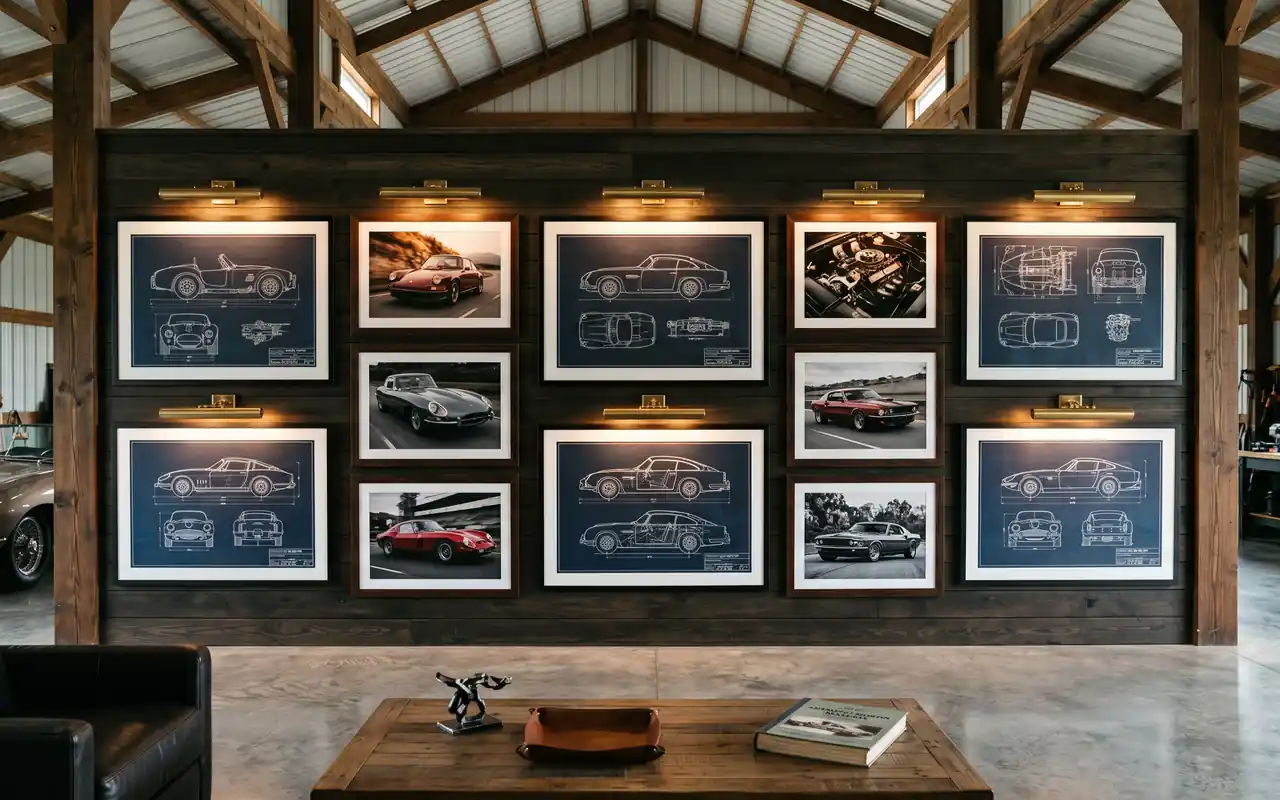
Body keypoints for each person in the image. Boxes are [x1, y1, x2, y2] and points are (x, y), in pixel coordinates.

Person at [436, 672, 511, 726]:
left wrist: (502, 683)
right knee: (454, 707)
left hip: (470, 691)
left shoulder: (463, 682)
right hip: (466, 691)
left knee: (473, 701)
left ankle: (479, 713)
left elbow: (490, 685)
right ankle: (462, 717)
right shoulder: (458, 683)